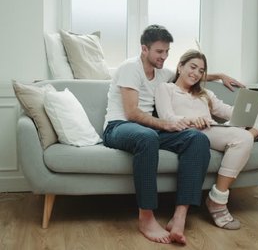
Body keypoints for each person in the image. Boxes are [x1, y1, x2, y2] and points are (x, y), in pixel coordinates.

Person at [102, 25, 241, 245]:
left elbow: (189, 73)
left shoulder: (162, 71)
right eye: (159, 52)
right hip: (119, 126)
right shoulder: (131, 67)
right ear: (144, 49)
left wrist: (219, 75)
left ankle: (179, 215)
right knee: (147, 137)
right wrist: (165, 124)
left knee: (197, 138)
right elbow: (131, 112)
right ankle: (146, 218)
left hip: (149, 129)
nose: (164, 57)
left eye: (167, 51)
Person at [154, 49, 258, 230]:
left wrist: (256, 103)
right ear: (180, 67)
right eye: (193, 67)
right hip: (190, 132)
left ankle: (248, 138)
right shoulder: (166, 88)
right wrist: (192, 120)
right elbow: (166, 117)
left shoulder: (205, 94)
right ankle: (217, 201)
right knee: (242, 139)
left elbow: (230, 112)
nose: (196, 73)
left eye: (201, 71)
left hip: (213, 129)